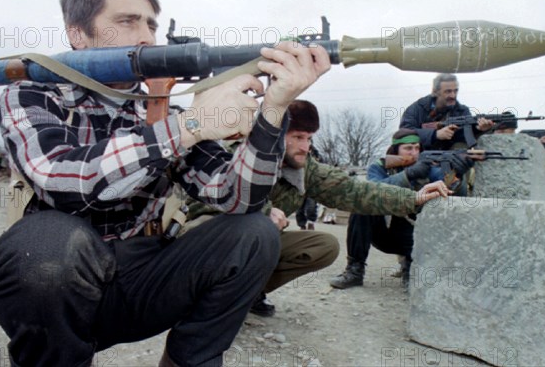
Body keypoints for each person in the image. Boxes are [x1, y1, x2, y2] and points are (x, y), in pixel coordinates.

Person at [0, 0, 331, 367]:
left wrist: (274, 109)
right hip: (58, 290)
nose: (147, 36)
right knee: (46, 245)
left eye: (150, 24)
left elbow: (235, 198)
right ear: (78, 34)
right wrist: (188, 127)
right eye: (127, 21)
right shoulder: (32, 94)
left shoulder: (163, 111)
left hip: (142, 284)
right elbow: (63, 180)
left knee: (253, 234)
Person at [186, 100, 452, 317]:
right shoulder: (235, 155)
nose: (306, 146)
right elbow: (198, 207)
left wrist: (412, 197)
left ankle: (246, 294)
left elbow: (355, 191)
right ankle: (201, 300)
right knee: (250, 227)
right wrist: (262, 212)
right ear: (274, 135)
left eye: (310, 138)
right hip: (209, 238)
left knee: (322, 246)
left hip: (258, 240)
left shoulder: (304, 168)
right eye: (298, 137)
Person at [329, 128, 474, 289]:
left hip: (415, 237)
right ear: (395, 149)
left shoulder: (429, 169)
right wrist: (408, 175)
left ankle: (410, 269)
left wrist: (457, 175)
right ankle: (354, 271)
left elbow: (451, 193)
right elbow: (373, 190)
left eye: (417, 148)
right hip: (383, 234)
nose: (414, 152)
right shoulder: (380, 167)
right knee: (361, 207)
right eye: (408, 148)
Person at [400, 73, 494, 150]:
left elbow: (463, 137)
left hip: (449, 156)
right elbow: (404, 133)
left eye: (455, 91)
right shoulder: (416, 109)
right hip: (420, 155)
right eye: (448, 91)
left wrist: (478, 129)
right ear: (435, 91)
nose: (453, 95)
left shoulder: (462, 110)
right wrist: (435, 135)